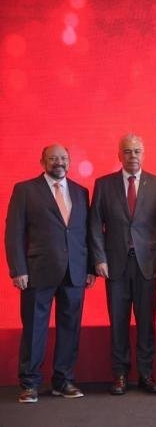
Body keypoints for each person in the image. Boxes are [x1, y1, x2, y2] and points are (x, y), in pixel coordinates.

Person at [5, 144, 95, 403]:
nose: (59, 162)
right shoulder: (25, 190)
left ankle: (63, 381)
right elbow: (14, 232)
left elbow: (86, 233)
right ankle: (30, 384)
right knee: (35, 329)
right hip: (37, 272)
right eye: (53, 158)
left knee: (70, 328)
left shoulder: (80, 192)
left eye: (63, 158)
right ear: (42, 161)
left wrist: (90, 268)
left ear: (70, 161)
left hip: (75, 272)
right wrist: (18, 269)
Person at [89, 134, 156, 395]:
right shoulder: (103, 184)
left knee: (147, 322)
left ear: (143, 154)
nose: (132, 156)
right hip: (115, 265)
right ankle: (120, 375)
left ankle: (146, 374)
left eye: (136, 151)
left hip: (148, 265)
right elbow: (95, 224)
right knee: (118, 322)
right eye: (127, 151)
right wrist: (99, 259)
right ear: (119, 155)